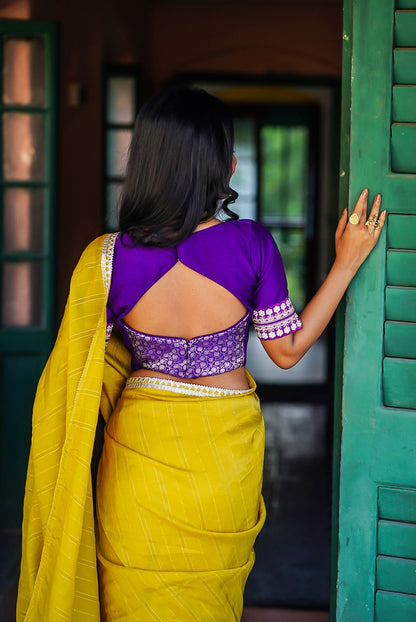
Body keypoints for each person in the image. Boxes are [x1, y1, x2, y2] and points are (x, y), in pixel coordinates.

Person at [17, 86, 385, 622]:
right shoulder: (252, 244)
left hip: (137, 467)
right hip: (222, 461)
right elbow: (286, 351)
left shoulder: (105, 260)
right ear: (225, 165)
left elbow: (75, 381)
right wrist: (346, 263)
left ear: (144, 162)